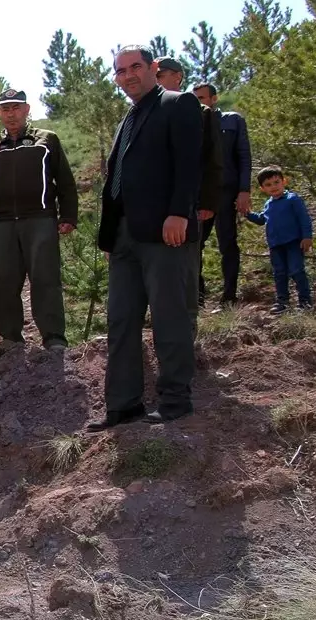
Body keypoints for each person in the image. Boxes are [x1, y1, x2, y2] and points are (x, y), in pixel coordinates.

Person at [88, 46, 201, 431]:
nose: (128, 76)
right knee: (120, 320)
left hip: (164, 230)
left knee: (169, 316)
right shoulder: (128, 119)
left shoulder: (177, 103)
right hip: (124, 237)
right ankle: (123, 404)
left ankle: (175, 399)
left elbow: (189, 164)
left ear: (153, 68)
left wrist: (178, 213)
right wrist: (112, 238)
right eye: (120, 71)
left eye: (135, 67)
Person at [0, 90, 78, 354]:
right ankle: (11, 339)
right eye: (5, 109)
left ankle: (54, 338)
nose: (11, 113)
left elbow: (64, 180)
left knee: (45, 279)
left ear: (27, 109)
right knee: (4, 282)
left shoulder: (46, 140)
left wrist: (68, 216)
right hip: (0, 224)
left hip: (39, 219)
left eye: (16, 108)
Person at [155, 59, 224, 318]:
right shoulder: (148, 114)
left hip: (190, 204)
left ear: (178, 77)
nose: (158, 79)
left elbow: (212, 160)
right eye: (155, 75)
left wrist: (207, 202)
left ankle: (191, 318)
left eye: (162, 75)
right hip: (158, 206)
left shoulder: (200, 112)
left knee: (189, 260)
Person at [193, 81, 252, 309]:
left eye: (202, 98)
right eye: (195, 98)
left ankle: (229, 297)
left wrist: (244, 190)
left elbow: (244, 156)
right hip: (201, 195)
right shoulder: (193, 123)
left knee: (228, 243)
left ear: (214, 98)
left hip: (227, 192)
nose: (199, 102)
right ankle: (197, 298)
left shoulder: (233, 120)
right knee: (195, 245)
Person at [244, 166, 314, 313]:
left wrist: (307, 236)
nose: (273, 187)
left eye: (276, 182)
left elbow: (304, 218)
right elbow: (262, 219)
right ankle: (282, 302)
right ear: (262, 189)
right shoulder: (268, 204)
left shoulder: (292, 199)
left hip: (294, 242)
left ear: (284, 181)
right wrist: (247, 213)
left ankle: (305, 302)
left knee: (296, 270)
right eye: (268, 185)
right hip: (276, 245)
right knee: (279, 273)